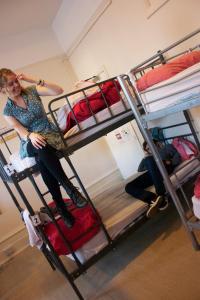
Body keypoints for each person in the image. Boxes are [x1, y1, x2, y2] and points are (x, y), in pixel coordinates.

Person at [0, 68, 88, 228]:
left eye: (16, 81)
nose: (16, 85)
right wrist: (30, 136)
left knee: (42, 156)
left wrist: (33, 79)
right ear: (2, 89)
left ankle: (61, 207)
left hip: (49, 132)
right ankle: (71, 190)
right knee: (39, 144)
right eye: (10, 84)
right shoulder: (7, 111)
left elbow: (58, 90)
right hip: (29, 138)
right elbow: (19, 129)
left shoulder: (32, 91)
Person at [125, 140, 182, 218]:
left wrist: (171, 162)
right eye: (148, 149)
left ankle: (161, 194)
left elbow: (178, 154)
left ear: (157, 145)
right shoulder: (148, 158)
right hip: (152, 173)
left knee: (149, 160)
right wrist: (145, 157)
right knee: (128, 187)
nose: (150, 149)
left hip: (164, 168)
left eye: (151, 146)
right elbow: (140, 169)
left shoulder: (166, 148)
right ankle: (154, 199)